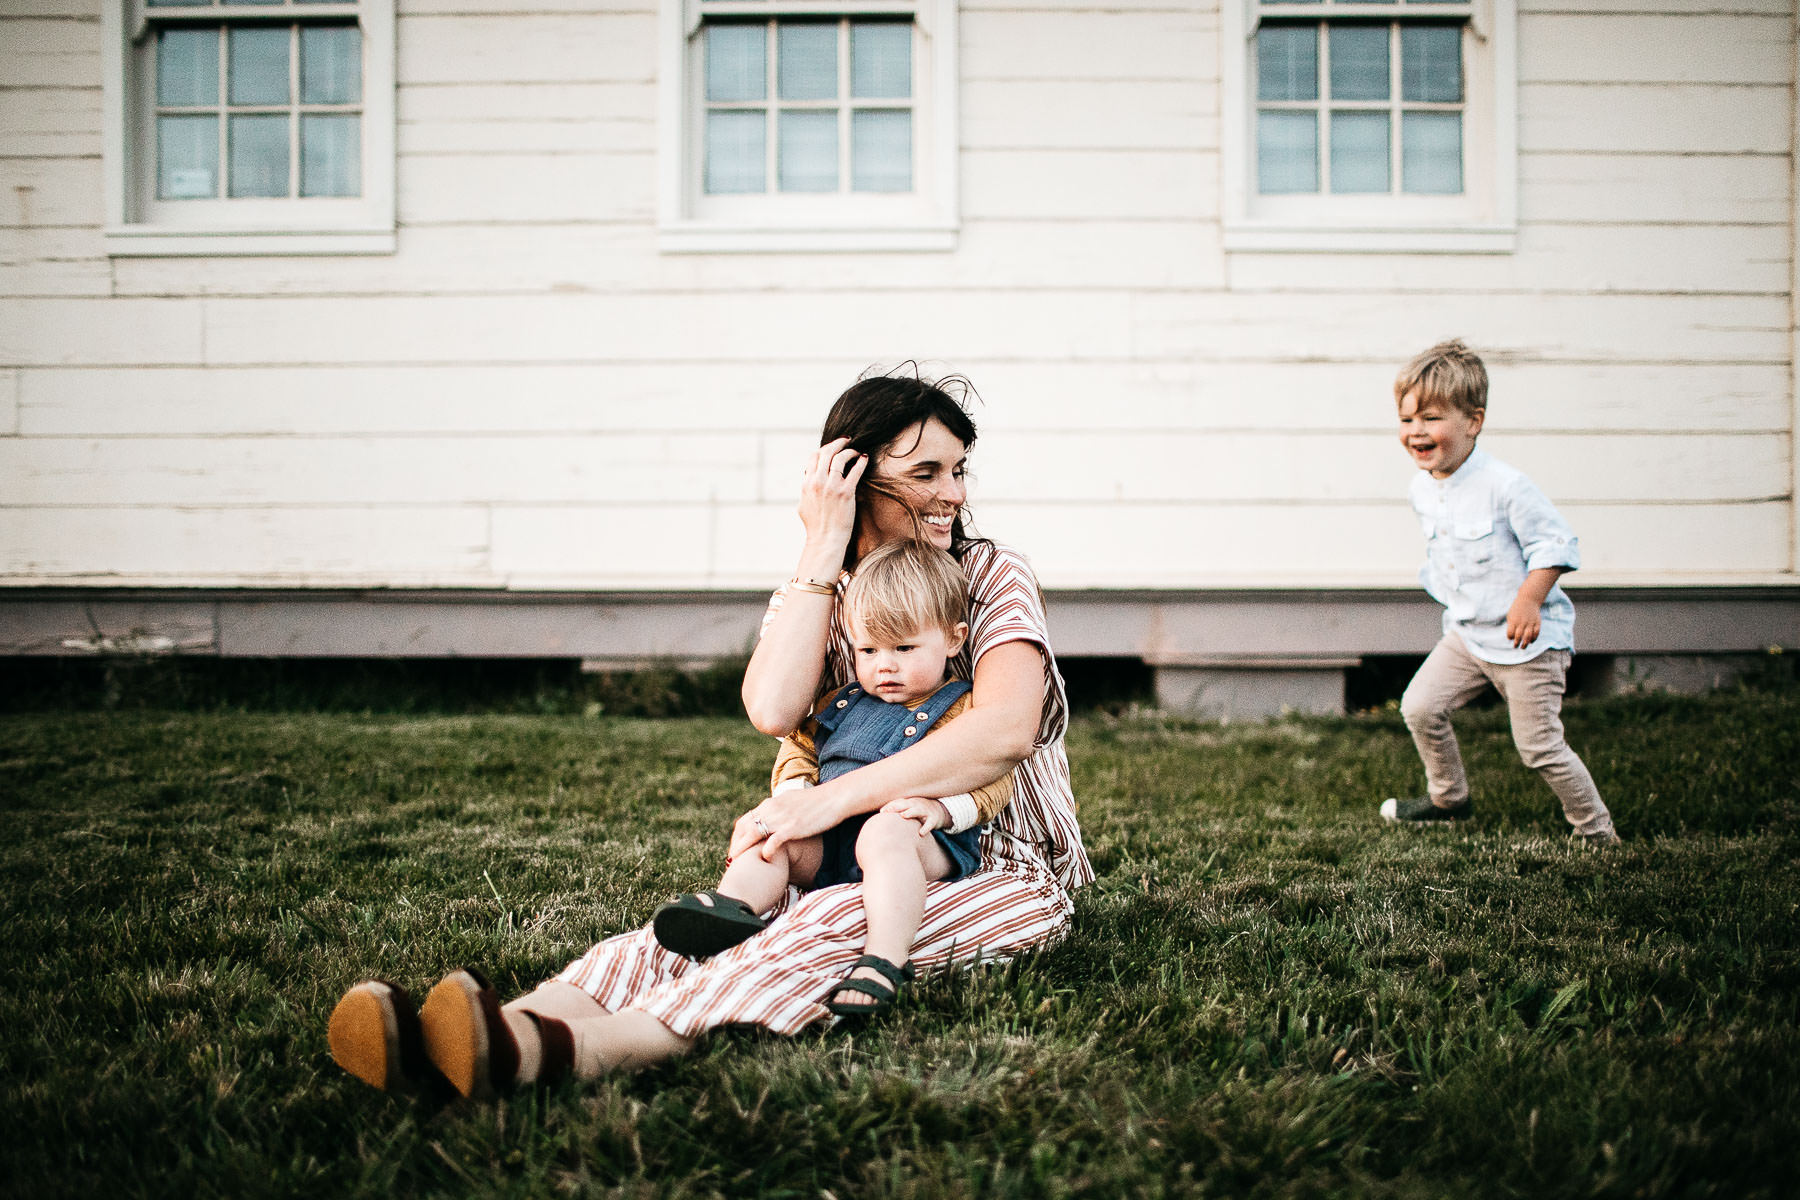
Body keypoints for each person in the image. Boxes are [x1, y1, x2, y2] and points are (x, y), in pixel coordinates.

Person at [327, 368, 1093, 1100]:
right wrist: (822, 551)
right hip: (833, 857)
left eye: (960, 471)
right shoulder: (819, 591)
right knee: (699, 929)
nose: (952, 495)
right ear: (853, 476)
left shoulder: (988, 573)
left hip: (990, 865)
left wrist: (823, 804)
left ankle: (560, 1055)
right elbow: (771, 709)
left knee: (812, 931)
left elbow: (1003, 730)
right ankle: (487, 1031)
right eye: (927, 473)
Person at [649, 538, 1014, 1017]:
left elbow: (995, 779)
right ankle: (731, 907)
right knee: (773, 839)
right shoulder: (841, 702)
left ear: (954, 638)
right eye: (869, 649)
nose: (885, 664)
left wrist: (943, 810)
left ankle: (885, 958)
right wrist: (794, 800)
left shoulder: (960, 709)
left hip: (920, 843)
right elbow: (799, 750)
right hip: (834, 841)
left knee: (884, 834)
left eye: (904, 647)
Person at [1380, 339, 1620, 846]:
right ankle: (1449, 798)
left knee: (1539, 747)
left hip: (1526, 644)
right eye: (1407, 420)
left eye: (1430, 418)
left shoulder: (1505, 486)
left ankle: (1597, 833)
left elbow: (1555, 544)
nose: (1416, 431)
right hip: (1468, 636)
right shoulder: (1422, 488)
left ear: (1474, 421)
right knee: (1420, 708)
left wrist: (1528, 600)